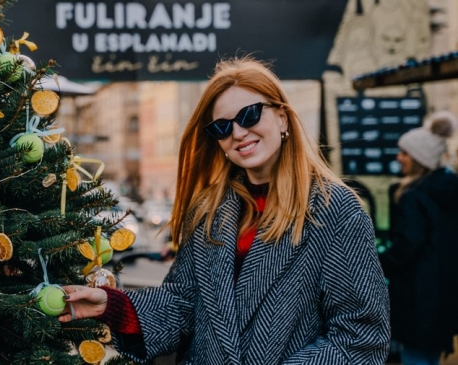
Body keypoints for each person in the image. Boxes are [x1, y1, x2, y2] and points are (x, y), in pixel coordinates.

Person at [60, 57, 390, 364]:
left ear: (282, 117)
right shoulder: (208, 211)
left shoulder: (335, 210)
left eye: (249, 115)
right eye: (222, 127)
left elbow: (361, 336)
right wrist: (114, 306)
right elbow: (184, 304)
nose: (238, 133)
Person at [379, 111, 458, 365]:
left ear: (419, 158)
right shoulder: (449, 190)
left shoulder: (413, 196)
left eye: (404, 153)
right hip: (443, 292)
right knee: (430, 357)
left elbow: (406, 247)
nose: (398, 158)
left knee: (413, 357)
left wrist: (377, 262)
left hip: (417, 297)